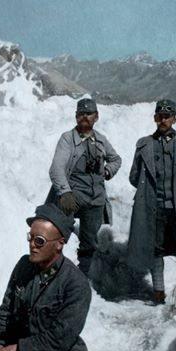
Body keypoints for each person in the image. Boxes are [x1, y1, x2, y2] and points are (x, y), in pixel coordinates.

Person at [0, 204, 91, 351]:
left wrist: (14, 349)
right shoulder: (23, 266)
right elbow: (5, 312)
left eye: (40, 241)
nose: (32, 246)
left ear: (59, 243)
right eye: (31, 238)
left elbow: (60, 338)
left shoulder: (76, 283)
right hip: (20, 349)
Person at [127, 99, 176, 304]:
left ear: (174, 119)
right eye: (160, 116)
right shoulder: (144, 145)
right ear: (155, 118)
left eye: (167, 116)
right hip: (154, 209)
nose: (163, 120)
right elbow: (134, 176)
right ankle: (158, 292)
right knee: (156, 250)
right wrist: (148, 192)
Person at [46, 97, 122, 275]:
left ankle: (82, 278)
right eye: (81, 114)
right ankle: (53, 275)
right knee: (58, 236)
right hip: (73, 196)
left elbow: (116, 159)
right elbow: (56, 168)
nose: (85, 117)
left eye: (89, 114)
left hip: (95, 199)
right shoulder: (67, 139)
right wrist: (65, 193)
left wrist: (108, 171)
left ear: (96, 117)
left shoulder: (101, 140)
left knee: (89, 243)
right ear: (76, 117)